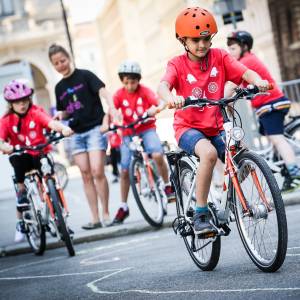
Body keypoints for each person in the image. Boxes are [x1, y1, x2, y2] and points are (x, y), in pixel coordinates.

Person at [157, 7, 269, 234]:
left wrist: (259, 81)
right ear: (182, 40)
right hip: (188, 128)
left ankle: (222, 193)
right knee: (207, 154)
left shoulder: (219, 56)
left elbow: (244, 71)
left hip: (217, 124)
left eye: (206, 39)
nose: (202, 45)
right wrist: (171, 98)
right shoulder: (176, 64)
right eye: (195, 40)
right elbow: (163, 85)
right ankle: (200, 213)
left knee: (242, 156)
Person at [48, 44, 117, 229]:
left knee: (97, 171)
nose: (60, 65)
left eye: (62, 60)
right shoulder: (59, 87)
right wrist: (60, 116)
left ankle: (106, 213)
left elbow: (104, 92)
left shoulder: (85, 75)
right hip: (76, 134)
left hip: (95, 129)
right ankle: (95, 218)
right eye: (56, 63)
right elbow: (66, 111)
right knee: (86, 175)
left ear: (68, 58)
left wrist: (112, 110)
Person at [226, 30, 300, 192]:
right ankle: (287, 171)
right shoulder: (247, 60)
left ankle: (295, 174)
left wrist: (221, 101)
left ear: (244, 46)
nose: (229, 52)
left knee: (277, 139)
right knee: (273, 139)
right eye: (228, 49)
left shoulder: (247, 61)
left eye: (233, 48)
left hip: (271, 104)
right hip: (267, 106)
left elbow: (231, 85)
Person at [0, 80, 73, 242]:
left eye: (25, 100)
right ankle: (21, 211)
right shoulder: (6, 120)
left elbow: (50, 122)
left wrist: (63, 128)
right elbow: (0, 139)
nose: (22, 104)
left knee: (49, 175)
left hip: (39, 152)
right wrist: (5, 147)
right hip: (21, 155)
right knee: (18, 163)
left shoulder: (35, 112)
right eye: (18, 102)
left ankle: (59, 215)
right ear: (10, 104)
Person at [110, 60, 175, 225]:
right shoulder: (118, 95)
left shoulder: (145, 91)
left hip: (146, 129)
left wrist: (157, 108)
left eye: (133, 81)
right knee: (124, 170)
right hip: (127, 132)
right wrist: (109, 121)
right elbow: (111, 110)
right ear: (122, 81)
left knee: (157, 154)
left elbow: (159, 102)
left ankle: (167, 185)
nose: (130, 85)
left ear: (138, 80)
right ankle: (123, 206)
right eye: (126, 82)